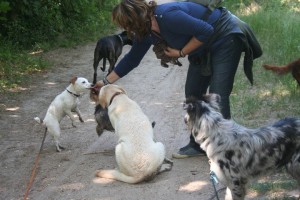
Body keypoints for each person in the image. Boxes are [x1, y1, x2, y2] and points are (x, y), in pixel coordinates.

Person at [96, 0, 262, 158]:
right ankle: (198, 145)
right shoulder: (146, 31)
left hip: (225, 36)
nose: (127, 31)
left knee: (218, 93)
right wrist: (105, 83)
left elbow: (206, 30)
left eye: (127, 25)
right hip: (202, 45)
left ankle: (227, 150)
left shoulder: (167, 15)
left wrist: (181, 53)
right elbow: (132, 59)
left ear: (135, 20)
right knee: (193, 92)